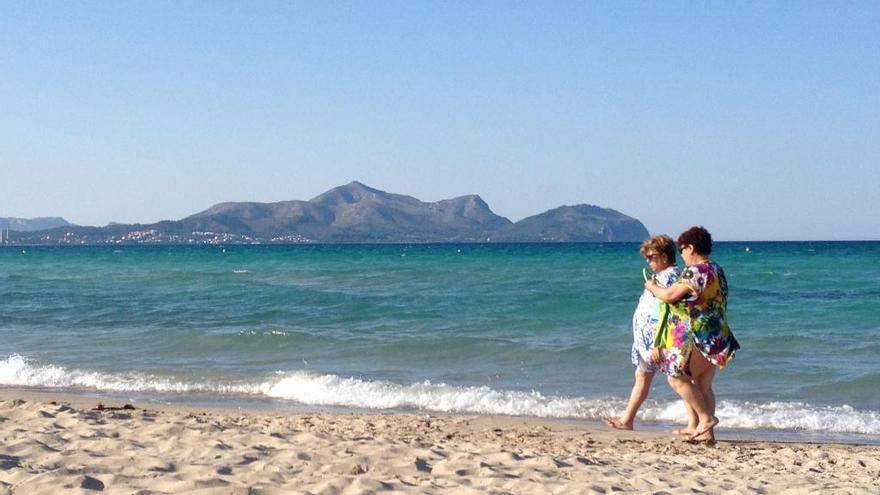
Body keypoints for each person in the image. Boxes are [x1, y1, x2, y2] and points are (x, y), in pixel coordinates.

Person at [645, 226, 740, 443]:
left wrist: (652, 287)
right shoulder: (716, 269)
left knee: (676, 378)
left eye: (682, 249)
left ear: (691, 247)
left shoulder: (696, 271)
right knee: (703, 385)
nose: (682, 254)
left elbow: (669, 296)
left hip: (700, 335)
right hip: (719, 334)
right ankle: (707, 435)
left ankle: (706, 420)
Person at [604, 235, 680, 430]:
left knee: (680, 380)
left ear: (664, 256)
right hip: (646, 340)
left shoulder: (671, 276)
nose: (648, 261)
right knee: (642, 376)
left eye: (651, 257)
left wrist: (658, 342)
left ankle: (698, 422)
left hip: (658, 339)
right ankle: (627, 420)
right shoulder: (659, 277)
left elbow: (667, 311)